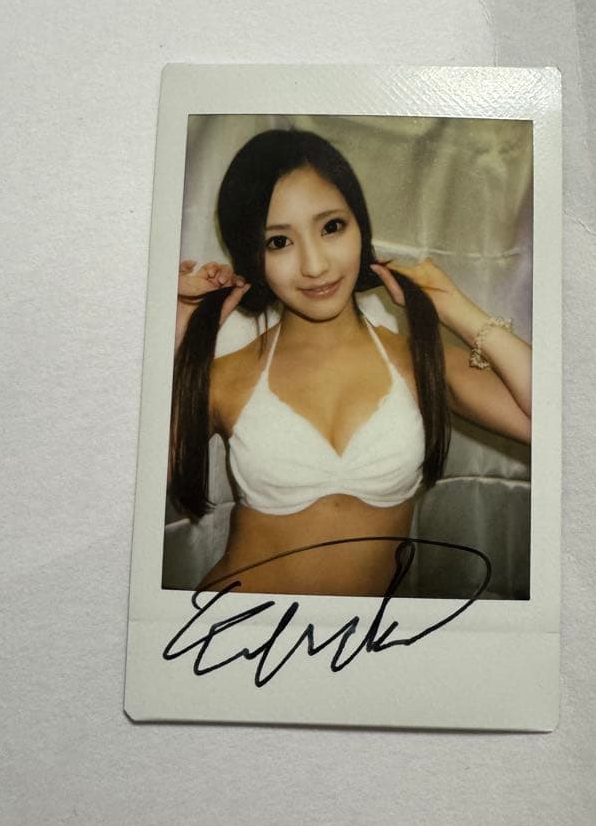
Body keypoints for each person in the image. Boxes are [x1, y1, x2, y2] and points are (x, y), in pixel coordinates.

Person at [169, 129, 531, 597]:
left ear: (361, 227)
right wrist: (176, 334)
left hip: (364, 635)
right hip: (240, 629)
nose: (315, 265)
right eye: (279, 242)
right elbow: (123, 495)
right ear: (252, 256)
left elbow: (552, 422)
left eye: (331, 227)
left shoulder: (418, 362)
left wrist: (455, 308)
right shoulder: (227, 378)